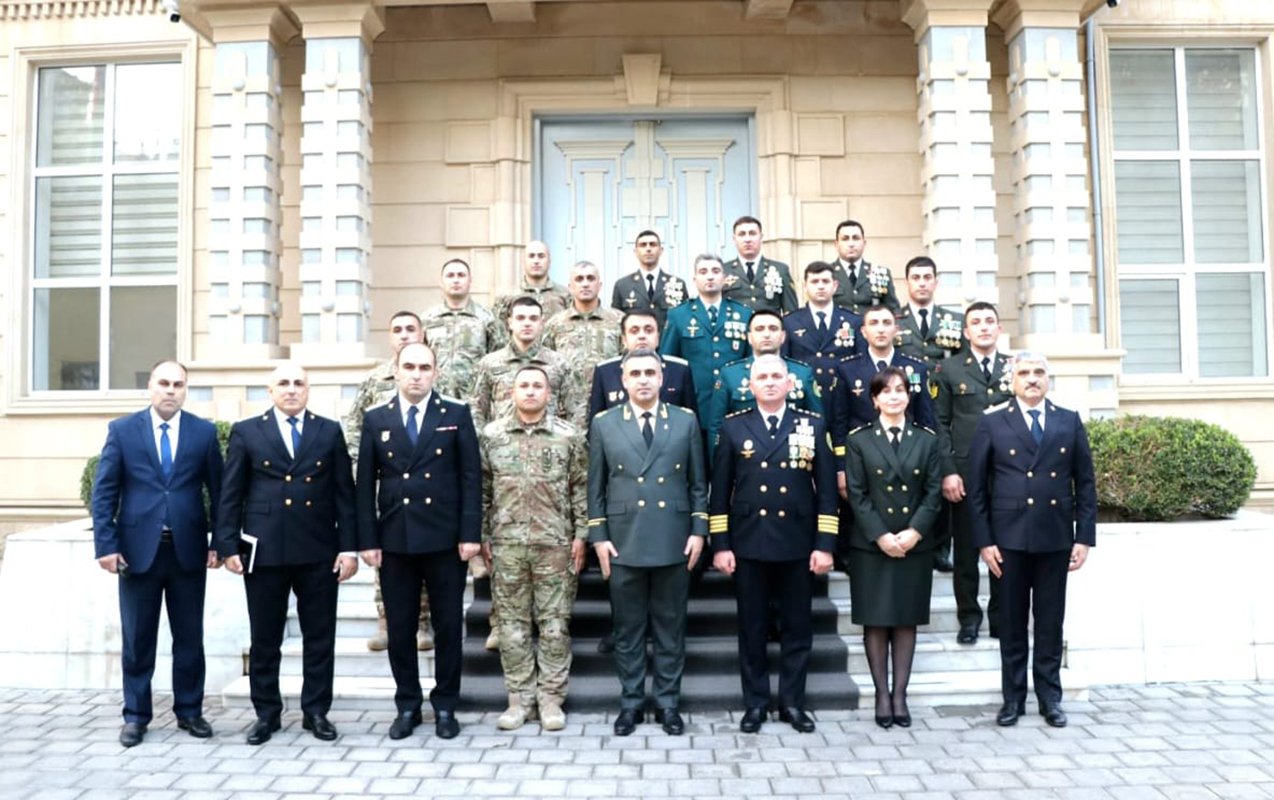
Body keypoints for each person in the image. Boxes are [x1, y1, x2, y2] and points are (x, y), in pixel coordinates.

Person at [216, 363, 358, 745]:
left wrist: (348, 548)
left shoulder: (328, 431)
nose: (292, 389)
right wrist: (227, 545)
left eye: (299, 383)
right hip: (265, 551)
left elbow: (344, 493)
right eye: (284, 383)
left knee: (319, 637)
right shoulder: (247, 432)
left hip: (317, 549)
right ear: (270, 390)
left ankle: (316, 712)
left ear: (308, 389)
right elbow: (231, 492)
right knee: (265, 639)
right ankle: (266, 713)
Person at [90, 360, 224, 748]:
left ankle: (190, 711)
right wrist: (106, 545)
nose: (171, 390)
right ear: (150, 386)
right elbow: (105, 493)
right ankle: (135, 716)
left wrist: (220, 542)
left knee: (189, 637)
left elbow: (219, 494)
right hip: (136, 553)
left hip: (188, 552)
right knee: (138, 638)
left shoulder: (203, 433)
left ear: (186, 390)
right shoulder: (123, 430)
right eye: (163, 383)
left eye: (178, 384)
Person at [355, 342, 482, 741]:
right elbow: (364, 485)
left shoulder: (455, 414)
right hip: (396, 539)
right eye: (409, 366)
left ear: (435, 373)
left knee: (447, 627)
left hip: (445, 540)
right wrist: (367, 538)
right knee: (402, 628)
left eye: (424, 367)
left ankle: (446, 705)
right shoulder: (377, 418)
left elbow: (470, 478)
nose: (416, 374)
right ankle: (407, 704)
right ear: (396, 370)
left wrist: (470, 534)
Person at [966, 352, 1097, 729]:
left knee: (1050, 622)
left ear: (1048, 379)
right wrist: (984, 541)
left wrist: (1083, 537)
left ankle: (1050, 698)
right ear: (1012, 380)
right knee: (1011, 623)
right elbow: (976, 489)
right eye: (1024, 373)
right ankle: (1013, 699)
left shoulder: (1067, 421)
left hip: (1055, 536)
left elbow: (1085, 482)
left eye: (1039, 373)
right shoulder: (993, 422)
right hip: (1007, 540)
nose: (1032, 379)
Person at [709, 355, 837, 734]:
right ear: (749, 386)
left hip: (797, 544)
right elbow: (720, 494)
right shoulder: (733, 428)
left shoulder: (812, 425)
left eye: (776, 376)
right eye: (761, 377)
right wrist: (721, 545)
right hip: (749, 544)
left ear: (789, 383)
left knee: (797, 628)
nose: (768, 382)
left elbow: (827, 492)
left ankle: (793, 704)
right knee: (752, 628)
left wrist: (825, 543)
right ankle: (756, 704)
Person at [587, 350, 708, 737]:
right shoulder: (604, 424)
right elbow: (596, 489)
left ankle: (669, 703)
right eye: (635, 373)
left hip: (673, 537)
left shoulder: (685, 421)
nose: (642, 379)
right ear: (622, 380)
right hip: (624, 541)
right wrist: (599, 538)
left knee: (671, 627)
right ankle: (632, 703)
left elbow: (697, 484)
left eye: (650, 373)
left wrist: (698, 531)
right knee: (628, 629)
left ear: (662, 378)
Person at [480, 366, 588, 732]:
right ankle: (519, 698)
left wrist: (581, 535)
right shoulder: (492, 436)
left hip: (555, 545)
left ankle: (551, 699)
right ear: (511, 392)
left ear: (549, 392)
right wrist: (482, 537)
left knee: (555, 626)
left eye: (537, 385)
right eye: (523, 385)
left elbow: (580, 488)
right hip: (507, 546)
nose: (530, 391)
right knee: (511, 628)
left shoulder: (568, 436)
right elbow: (481, 490)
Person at [843, 367, 943, 729]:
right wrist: (882, 536)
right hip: (872, 544)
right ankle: (881, 695)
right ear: (874, 399)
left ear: (909, 396)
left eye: (900, 390)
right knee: (876, 620)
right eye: (886, 391)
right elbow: (857, 493)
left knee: (905, 619)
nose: (894, 396)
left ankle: (900, 694)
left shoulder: (927, 439)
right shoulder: (859, 440)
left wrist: (914, 532)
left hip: (914, 544)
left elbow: (934, 493)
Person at [343, 310, 434, 653]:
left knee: (424, 552)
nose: (405, 335)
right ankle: (386, 621)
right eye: (397, 329)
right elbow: (355, 427)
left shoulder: (433, 375)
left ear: (422, 334)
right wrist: (361, 467)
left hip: (426, 483)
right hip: (386, 482)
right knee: (386, 555)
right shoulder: (374, 381)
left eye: (411, 329)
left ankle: (423, 622)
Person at [932, 302, 1014, 644]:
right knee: (965, 551)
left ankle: (1000, 616)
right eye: (976, 322)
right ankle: (968, 618)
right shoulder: (949, 370)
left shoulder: (1016, 368)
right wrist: (948, 472)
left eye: (989, 321)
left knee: (1006, 548)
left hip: (1008, 473)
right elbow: (939, 424)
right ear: (965, 332)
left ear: (998, 328)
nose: (983, 327)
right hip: (966, 474)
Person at [830, 305, 936, 462]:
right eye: (874, 323)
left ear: (896, 330)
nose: (881, 329)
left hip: (908, 455)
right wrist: (841, 466)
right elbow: (839, 421)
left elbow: (926, 420)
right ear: (863, 332)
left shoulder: (916, 368)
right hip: (862, 456)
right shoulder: (846, 369)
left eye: (886, 323)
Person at [707, 310, 822, 452]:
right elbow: (716, 426)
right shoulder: (730, 374)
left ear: (783, 336)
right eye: (759, 329)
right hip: (744, 457)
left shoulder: (802, 373)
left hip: (792, 456)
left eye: (773, 329)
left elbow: (817, 422)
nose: (767, 334)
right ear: (749, 337)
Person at [659, 253, 752, 427]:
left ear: (724, 278)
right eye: (703, 272)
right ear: (694, 280)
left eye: (716, 271)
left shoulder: (744, 314)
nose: (710, 276)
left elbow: (750, 360)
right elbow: (668, 363)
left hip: (735, 402)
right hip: (694, 403)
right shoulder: (678, 315)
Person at [471, 295, 577, 431]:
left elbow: (575, 410)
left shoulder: (559, 364)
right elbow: (476, 410)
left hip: (549, 444)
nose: (527, 323)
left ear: (541, 323)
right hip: (502, 445)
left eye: (533, 318)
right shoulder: (490, 363)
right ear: (510, 322)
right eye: (520, 318)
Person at [588, 310, 698, 421]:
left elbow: (690, 422)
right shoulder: (605, 372)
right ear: (624, 339)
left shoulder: (679, 370)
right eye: (634, 331)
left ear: (658, 337)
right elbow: (597, 425)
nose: (642, 336)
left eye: (648, 330)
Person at [420, 258, 503, 399]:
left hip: (474, 400)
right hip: (435, 398)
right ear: (441, 282)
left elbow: (498, 357)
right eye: (450, 276)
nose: (456, 280)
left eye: (461, 275)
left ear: (470, 281)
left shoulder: (487, 318)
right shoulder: (428, 319)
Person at [542, 259, 624, 396]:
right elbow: (546, 367)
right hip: (567, 408)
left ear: (599, 285)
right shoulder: (555, 324)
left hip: (608, 401)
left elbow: (628, 362)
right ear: (570, 287)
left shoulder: (618, 320)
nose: (585, 284)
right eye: (579, 279)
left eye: (590, 279)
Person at [782, 260, 862, 397]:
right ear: (805, 286)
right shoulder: (789, 322)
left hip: (843, 395)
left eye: (825, 281)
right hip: (805, 395)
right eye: (814, 282)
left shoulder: (854, 321)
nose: (820, 286)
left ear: (835, 286)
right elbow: (784, 362)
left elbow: (861, 362)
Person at [610, 230, 689, 331]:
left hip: (668, 345)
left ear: (661, 250)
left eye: (653, 245)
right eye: (643, 245)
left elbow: (684, 320)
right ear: (636, 252)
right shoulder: (622, 285)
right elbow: (616, 324)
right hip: (636, 345)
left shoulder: (677, 284)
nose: (648, 249)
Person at [895, 256, 965, 366]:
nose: (922, 283)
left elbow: (965, 360)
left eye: (927, 277)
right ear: (906, 282)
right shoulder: (893, 320)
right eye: (916, 278)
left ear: (936, 282)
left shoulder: (958, 320)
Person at [721, 216, 797, 314]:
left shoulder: (780, 270)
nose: (747, 239)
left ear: (761, 237)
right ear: (734, 239)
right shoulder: (723, 270)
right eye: (742, 234)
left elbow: (791, 311)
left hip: (769, 327)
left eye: (752, 233)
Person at [829, 220, 900, 315]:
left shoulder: (880, 273)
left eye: (856, 238)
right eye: (845, 239)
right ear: (836, 244)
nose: (851, 244)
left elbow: (894, 310)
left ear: (864, 243)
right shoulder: (827, 274)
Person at [493, 241, 571, 324]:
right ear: (523, 261)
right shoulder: (507, 297)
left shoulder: (565, 294)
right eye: (531, 256)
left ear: (549, 261)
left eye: (541, 256)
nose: (536, 261)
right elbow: (498, 331)